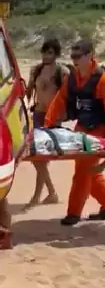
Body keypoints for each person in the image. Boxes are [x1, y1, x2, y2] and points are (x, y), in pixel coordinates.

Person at [44, 39, 105, 226]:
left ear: (90, 55)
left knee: (83, 173)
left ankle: (73, 213)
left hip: (99, 131)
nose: (74, 60)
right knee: (90, 174)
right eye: (72, 56)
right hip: (81, 129)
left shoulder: (102, 80)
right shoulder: (72, 79)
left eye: (78, 56)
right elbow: (59, 100)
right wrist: (48, 125)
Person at [25, 38, 66, 207]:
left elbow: (67, 94)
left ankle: (38, 196)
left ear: (56, 54)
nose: (46, 56)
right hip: (38, 114)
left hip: (53, 118)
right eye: (44, 52)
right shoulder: (36, 70)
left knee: (41, 157)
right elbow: (28, 92)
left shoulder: (62, 72)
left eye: (49, 52)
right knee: (37, 157)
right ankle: (51, 193)